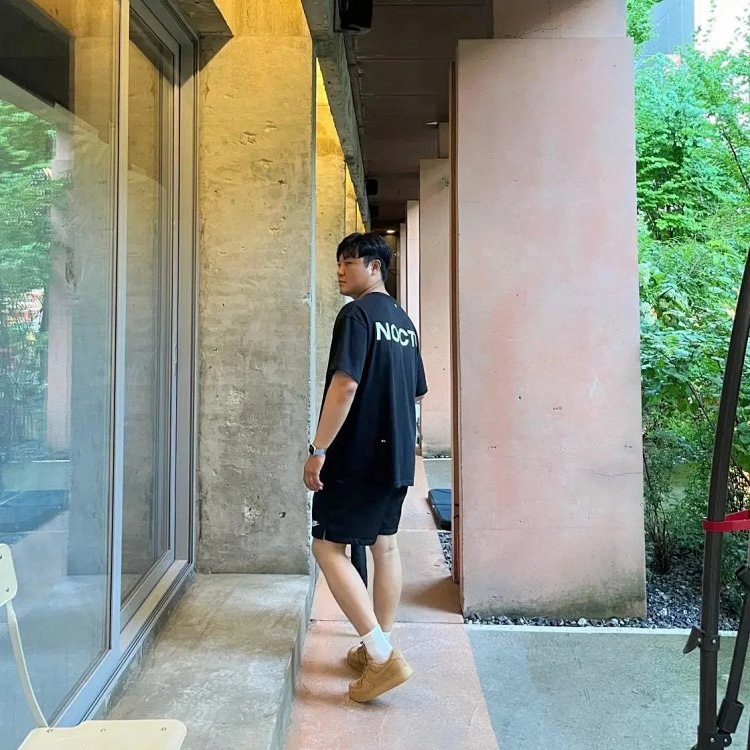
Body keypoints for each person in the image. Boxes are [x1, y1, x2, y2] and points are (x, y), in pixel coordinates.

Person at [303, 232, 427, 703]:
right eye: (338, 261)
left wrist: (319, 448)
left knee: (327, 547)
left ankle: (380, 654)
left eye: (350, 262)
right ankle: (379, 644)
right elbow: (417, 391)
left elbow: (346, 385)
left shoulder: (356, 315)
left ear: (376, 268)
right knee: (385, 545)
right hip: (396, 454)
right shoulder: (404, 323)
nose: (340, 270)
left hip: (357, 455)